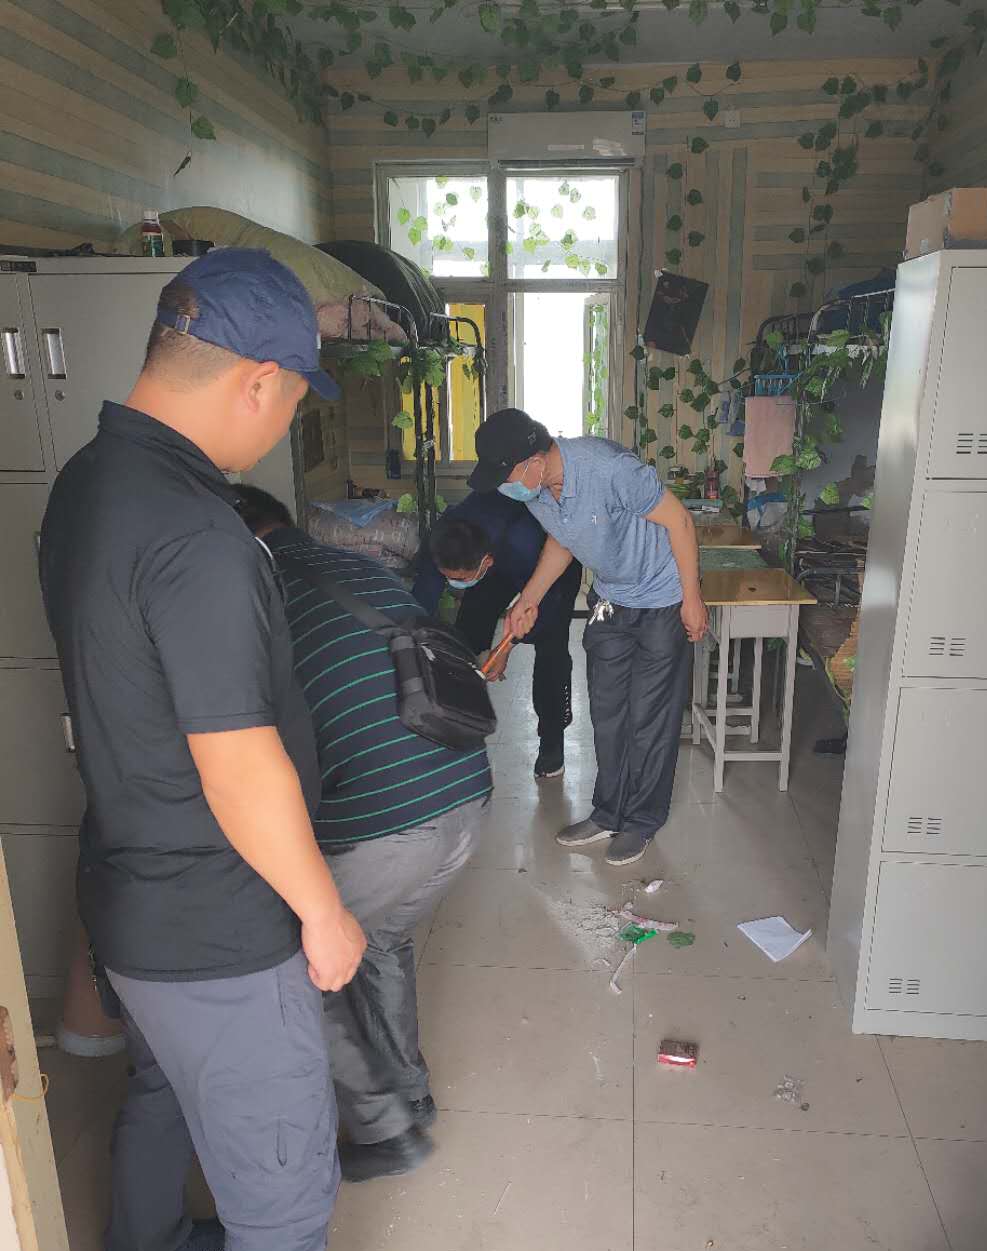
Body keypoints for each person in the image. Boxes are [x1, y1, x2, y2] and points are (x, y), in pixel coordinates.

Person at [39, 249, 429, 1251]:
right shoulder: (199, 533)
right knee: (282, 1183)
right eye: (296, 400)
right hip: (216, 920)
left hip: (129, 896)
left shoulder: (88, 482)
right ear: (258, 380)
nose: (286, 425)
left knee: (164, 1081)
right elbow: (238, 760)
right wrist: (322, 911)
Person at [232, 485, 493, 1183]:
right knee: (380, 940)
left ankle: (384, 1128)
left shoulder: (255, 589)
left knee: (299, 962)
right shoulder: (352, 567)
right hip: (467, 792)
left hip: (391, 822)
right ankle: (410, 1093)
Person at [469, 408, 708, 867]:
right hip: (611, 601)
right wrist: (527, 600)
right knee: (607, 713)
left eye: (506, 476)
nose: (504, 487)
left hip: (662, 599)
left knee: (649, 718)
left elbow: (679, 521)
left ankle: (641, 820)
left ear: (535, 461)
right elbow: (563, 540)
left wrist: (691, 598)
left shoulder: (610, 469)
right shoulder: (539, 491)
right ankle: (607, 812)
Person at [413, 490, 582, 779]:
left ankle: (552, 739)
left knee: (551, 649)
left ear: (486, 563)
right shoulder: (440, 542)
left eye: (459, 579)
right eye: (447, 577)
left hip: (552, 566)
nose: (452, 583)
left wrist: (505, 648)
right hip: (491, 561)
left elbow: (542, 608)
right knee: (464, 639)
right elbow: (419, 605)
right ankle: (457, 728)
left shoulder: (522, 541)